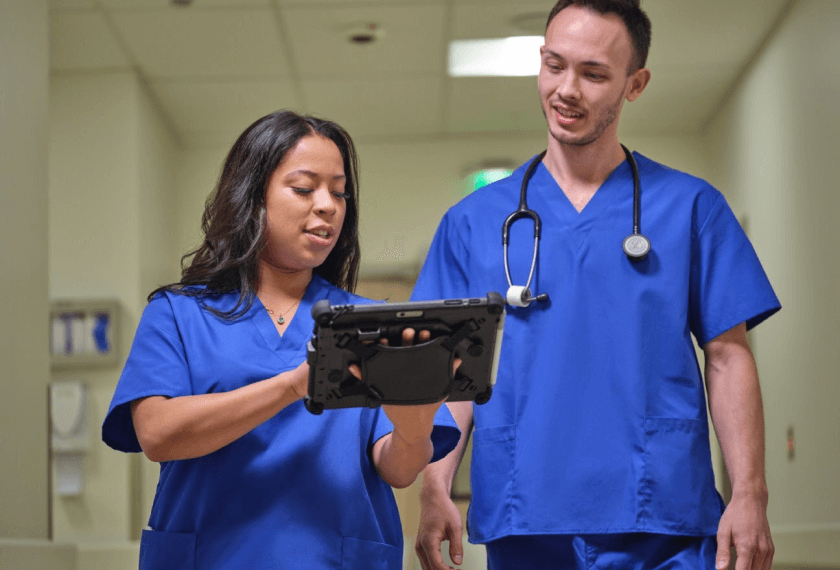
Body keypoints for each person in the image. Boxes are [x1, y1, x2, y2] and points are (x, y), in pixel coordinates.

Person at [411, 1, 780, 569]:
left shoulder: (690, 207)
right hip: (527, 511)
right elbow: (450, 371)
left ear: (636, 84)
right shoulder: (472, 222)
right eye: (554, 66)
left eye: (593, 73)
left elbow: (728, 357)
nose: (566, 90)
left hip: (662, 514)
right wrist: (434, 486)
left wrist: (751, 493)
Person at [102, 110, 460, 570]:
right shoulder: (179, 313)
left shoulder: (371, 324)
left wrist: (414, 424)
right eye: (305, 188)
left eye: (339, 191)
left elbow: (398, 469)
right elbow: (157, 434)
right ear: (253, 199)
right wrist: (293, 386)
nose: (328, 205)